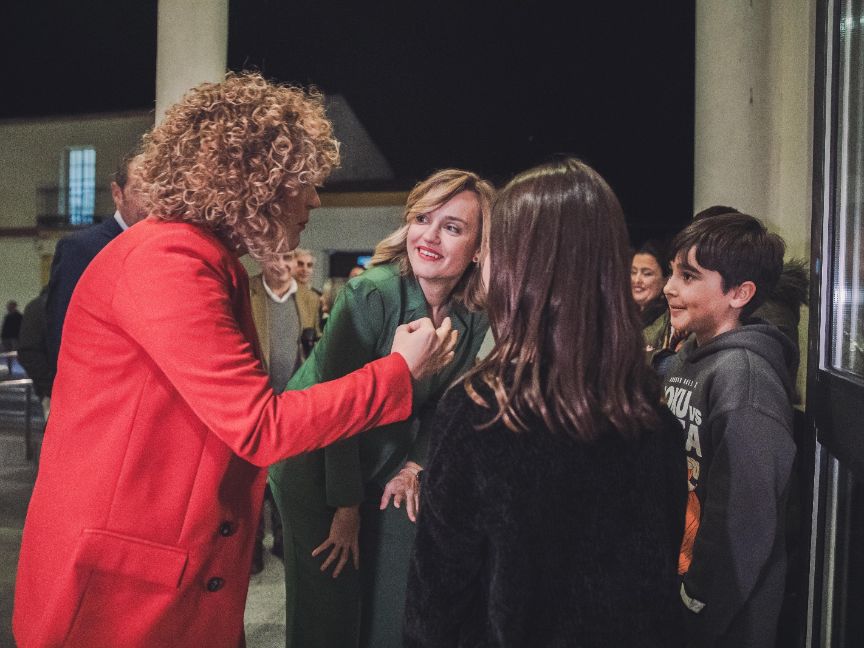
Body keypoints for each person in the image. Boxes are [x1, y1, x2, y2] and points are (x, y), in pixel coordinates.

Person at [13, 72, 455, 648]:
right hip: (123, 598)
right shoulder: (169, 260)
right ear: (255, 180)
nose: (315, 200)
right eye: (304, 183)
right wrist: (397, 371)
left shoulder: (194, 254)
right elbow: (259, 426)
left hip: (161, 579)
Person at [404, 158, 687, 647]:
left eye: (492, 247)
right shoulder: (649, 413)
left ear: (519, 265)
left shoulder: (480, 410)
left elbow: (438, 601)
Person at [269, 168, 495, 648]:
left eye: (452, 227)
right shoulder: (370, 293)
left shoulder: (473, 311)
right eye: (422, 218)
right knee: (330, 608)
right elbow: (335, 410)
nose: (429, 236)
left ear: (478, 248)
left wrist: (415, 464)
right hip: (314, 459)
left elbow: (447, 404)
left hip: (389, 450)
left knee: (391, 592)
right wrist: (346, 506)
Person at [662, 212, 796, 647]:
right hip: (679, 586)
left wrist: (696, 602)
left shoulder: (746, 380)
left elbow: (745, 521)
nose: (669, 287)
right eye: (672, 271)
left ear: (740, 293)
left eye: (689, 276)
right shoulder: (691, 357)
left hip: (721, 622)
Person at [248, 250, 323, 572]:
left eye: (288, 258)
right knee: (251, 481)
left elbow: (314, 344)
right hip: (252, 400)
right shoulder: (246, 291)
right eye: (273, 257)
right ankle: (249, 552)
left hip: (291, 402)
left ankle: (282, 541)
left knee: (287, 476)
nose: (281, 264)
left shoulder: (309, 298)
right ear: (262, 259)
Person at [46, 150, 150, 365]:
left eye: (159, 190)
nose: (151, 202)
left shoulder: (165, 246)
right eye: (141, 190)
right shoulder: (82, 247)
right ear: (117, 193)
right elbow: (62, 331)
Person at [16, 286, 53, 418]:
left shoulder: (37, 306)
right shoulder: (43, 307)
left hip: (53, 389)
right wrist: (52, 386)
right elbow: (28, 352)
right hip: (56, 391)